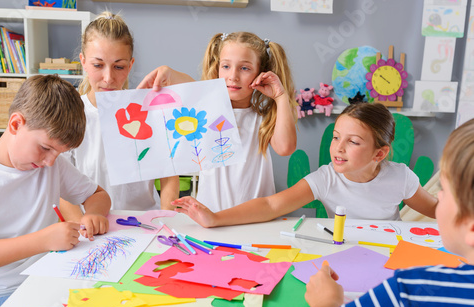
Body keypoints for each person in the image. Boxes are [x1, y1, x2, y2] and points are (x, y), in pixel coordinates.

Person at [277, 119, 474, 307]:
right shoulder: (326, 177)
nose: (439, 198)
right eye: (335, 137)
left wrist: (327, 304)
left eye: (443, 189)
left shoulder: (406, 294)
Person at [0, 75, 111, 307]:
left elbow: (98, 195)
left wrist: (92, 215)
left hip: (48, 282)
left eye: (58, 153)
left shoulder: (51, 165)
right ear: (16, 124)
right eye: (46, 148)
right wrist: (42, 241)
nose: (50, 161)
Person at [172, 102, 438, 227]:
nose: (338, 148)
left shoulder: (400, 177)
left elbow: (437, 211)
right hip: (345, 251)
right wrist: (215, 218)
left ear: (379, 155)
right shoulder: (327, 178)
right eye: (336, 138)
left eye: (353, 142)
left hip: (387, 253)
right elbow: (271, 205)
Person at [142, 31, 297, 212]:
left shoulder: (262, 119)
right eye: (226, 66)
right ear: (217, 68)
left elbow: (285, 148)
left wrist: (280, 96)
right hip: (210, 218)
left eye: (244, 68)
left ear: (261, 73)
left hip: (256, 220)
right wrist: (168, 71)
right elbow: (189, 85)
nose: (233, 76)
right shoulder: (208, 111)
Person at [60, 11, 180, 222]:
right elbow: (59, 184)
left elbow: (169, 174)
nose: (108, 78)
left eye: (119, 66)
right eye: (98, 65)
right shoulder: (70, 114)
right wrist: (82, 224)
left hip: (143, 223)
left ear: (130, 65)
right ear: (83, 62)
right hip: (88, 225)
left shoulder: (148, 111)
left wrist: (167, 219)